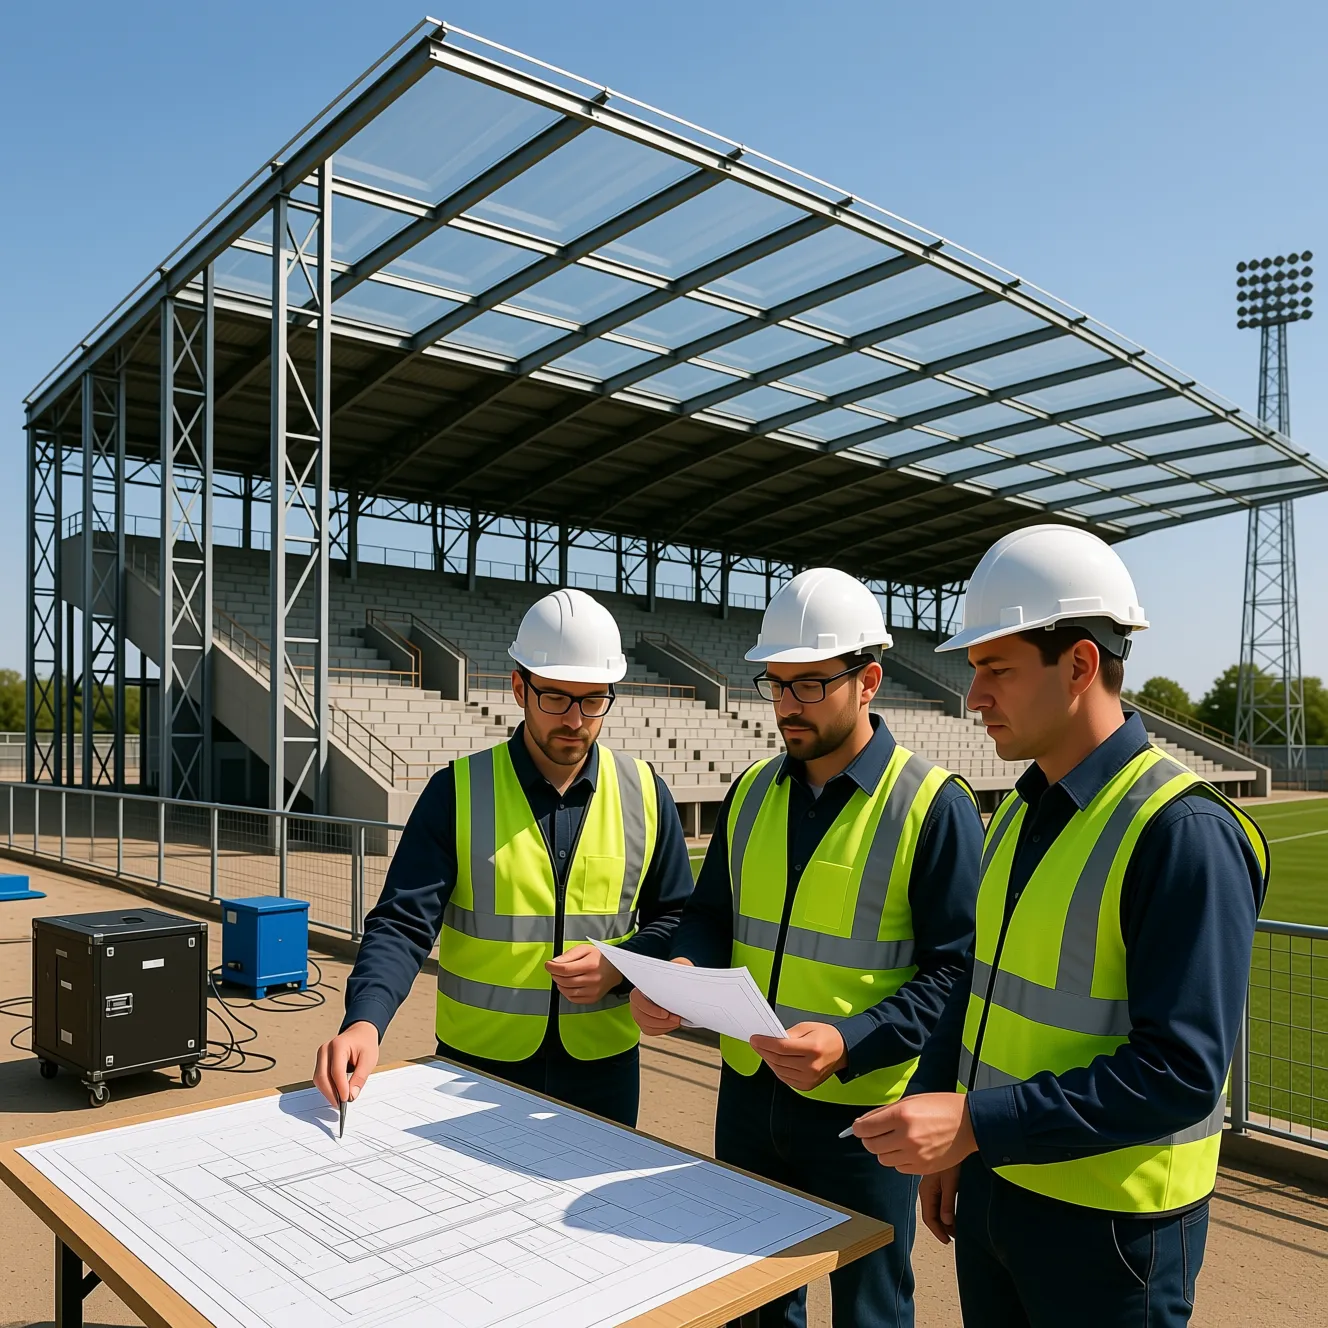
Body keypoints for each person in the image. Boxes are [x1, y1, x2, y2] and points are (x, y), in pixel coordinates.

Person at [848, 524, 1269, 1328]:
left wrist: (976, 1123)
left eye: (996, 670)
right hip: (998, 1189)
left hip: (1112, 1235)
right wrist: (947, 1107)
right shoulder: (1018, 812)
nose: (974, 697)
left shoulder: (1182, 833)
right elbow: (977, 987)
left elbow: (1180, 1073)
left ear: (1079, 665)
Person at [632, 567, 983, 1328]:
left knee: (869, 1310)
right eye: (778, 683)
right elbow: (710, 913)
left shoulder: (933, 805)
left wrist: (851, 1040)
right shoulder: (751, 791)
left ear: (869, 682)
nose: (788, 704)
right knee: (751, 1301)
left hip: (866, 1112)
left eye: (811, 684)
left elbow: (954, 973)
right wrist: (682, 969)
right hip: (749, 1096)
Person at [313, 587, 694, 1127]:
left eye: (592, 700)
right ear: (519, 688)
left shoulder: (646, 793)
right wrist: (365, 1021)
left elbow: (676, 920)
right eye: (556, 697)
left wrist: (621, 965)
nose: (575, 719)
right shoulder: (457, 790)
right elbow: (401, 923)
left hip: (604, 1071)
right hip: (474, 1066)